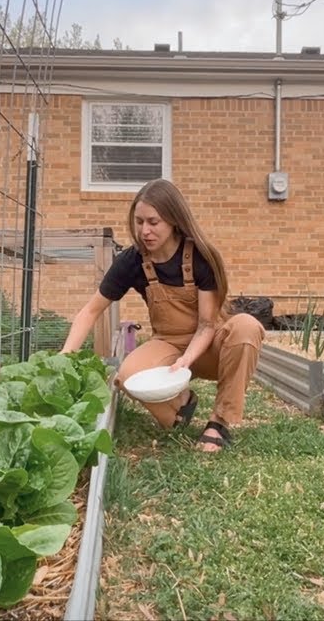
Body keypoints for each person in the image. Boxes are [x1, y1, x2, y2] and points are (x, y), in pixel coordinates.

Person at [60, 179, 265, 452]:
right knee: (127, 375)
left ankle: (219, 422)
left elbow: (206, 325)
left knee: (246, 327)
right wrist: (65, 356)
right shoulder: (132, 261)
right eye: (139, 221)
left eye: (153, 222)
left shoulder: (201, 256)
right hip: (167, 342)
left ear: (173, 221)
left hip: (210, 343)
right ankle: (181, 407)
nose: (145, 231)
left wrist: (185, 361)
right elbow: (91, 310)